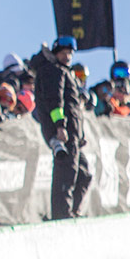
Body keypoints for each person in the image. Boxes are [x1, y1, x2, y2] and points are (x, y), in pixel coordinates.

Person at [29, 36, 92, 219]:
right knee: (66, 175)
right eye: (63, 53)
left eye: (70, 54)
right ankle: (62, 216)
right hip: (64, 133)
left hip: (73, 133)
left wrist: (79, 134)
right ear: (55, 54)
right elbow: (55, 101)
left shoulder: (63, 71)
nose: (67, 57)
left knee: (83, 173)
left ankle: (72, 211)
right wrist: (60, 126)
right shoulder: (52, 71)